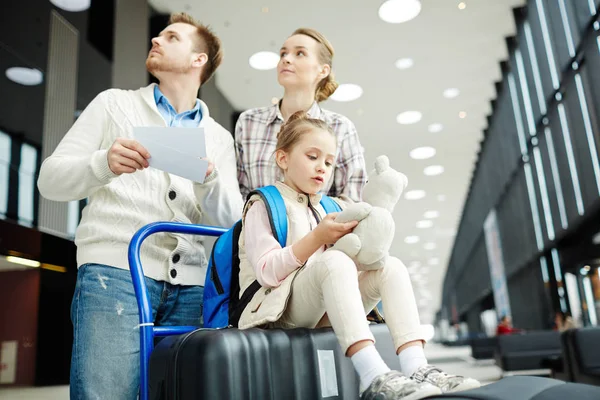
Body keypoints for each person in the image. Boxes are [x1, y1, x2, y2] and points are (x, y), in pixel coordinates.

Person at [37, 13, 242, 399]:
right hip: (114, 275)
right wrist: (103, 164)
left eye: (172, 36)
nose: (156, 39)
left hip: (191, 288)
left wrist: (211, 180)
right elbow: (49, 180)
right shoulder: (114, 105)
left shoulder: (218, 138)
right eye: (158, 34)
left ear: (199, 59)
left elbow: (231, 222)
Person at [235, 112, 480, 399]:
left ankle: (417, 366)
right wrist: (318, 238)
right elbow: (267, 271)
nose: (322, 168)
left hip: (325, 306)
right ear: (283, 159)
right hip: (277, 309)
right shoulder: (263, 204)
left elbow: (359, 256)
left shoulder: (331, 206)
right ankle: (374, 375)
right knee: (335, 261)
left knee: (392, 267)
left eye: (328, 162)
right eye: (312, 156)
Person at [235, 27, 367, 201]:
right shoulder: (249, 122)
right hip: (256, 226)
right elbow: (239, 194)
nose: (286, 59)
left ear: (323, 70)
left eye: (299, 53)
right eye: (283, 53)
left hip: (321, 227)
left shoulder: (341, 127)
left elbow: (352, 199)